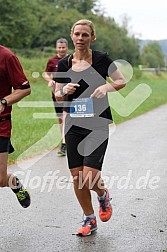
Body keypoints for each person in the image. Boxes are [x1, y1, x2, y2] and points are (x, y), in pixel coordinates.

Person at [55, 19, 126, 236]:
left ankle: (103, 195)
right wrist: (64, 89)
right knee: (77, 177)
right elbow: (57, 94)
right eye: (77, 34)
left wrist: (106, 86)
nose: (80, 38)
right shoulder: (64, 64)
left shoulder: (102, 59)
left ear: (92, 37)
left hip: (97, 124)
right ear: (71, 35)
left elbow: (121, 81)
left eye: (85, 35)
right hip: (74, 125)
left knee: (89, 177)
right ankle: (89, 218)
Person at [0, 45, 31, 208]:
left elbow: (24, 88)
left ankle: (13, 182)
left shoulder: (7, 57)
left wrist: (4, 102)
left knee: (0, 179)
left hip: (1, 124)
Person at [44, 38, 68, 156]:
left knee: (66, 115)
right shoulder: (52, 60)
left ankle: (65, 143)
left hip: (69, 93)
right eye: (59, 47)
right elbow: (46, 73)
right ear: (56, 48)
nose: (61, 49)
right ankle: (64, 139)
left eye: (63, 47)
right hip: (56, 93)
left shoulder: (71, 59)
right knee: (60, 118)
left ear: (67, 48)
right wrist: (50, 80)